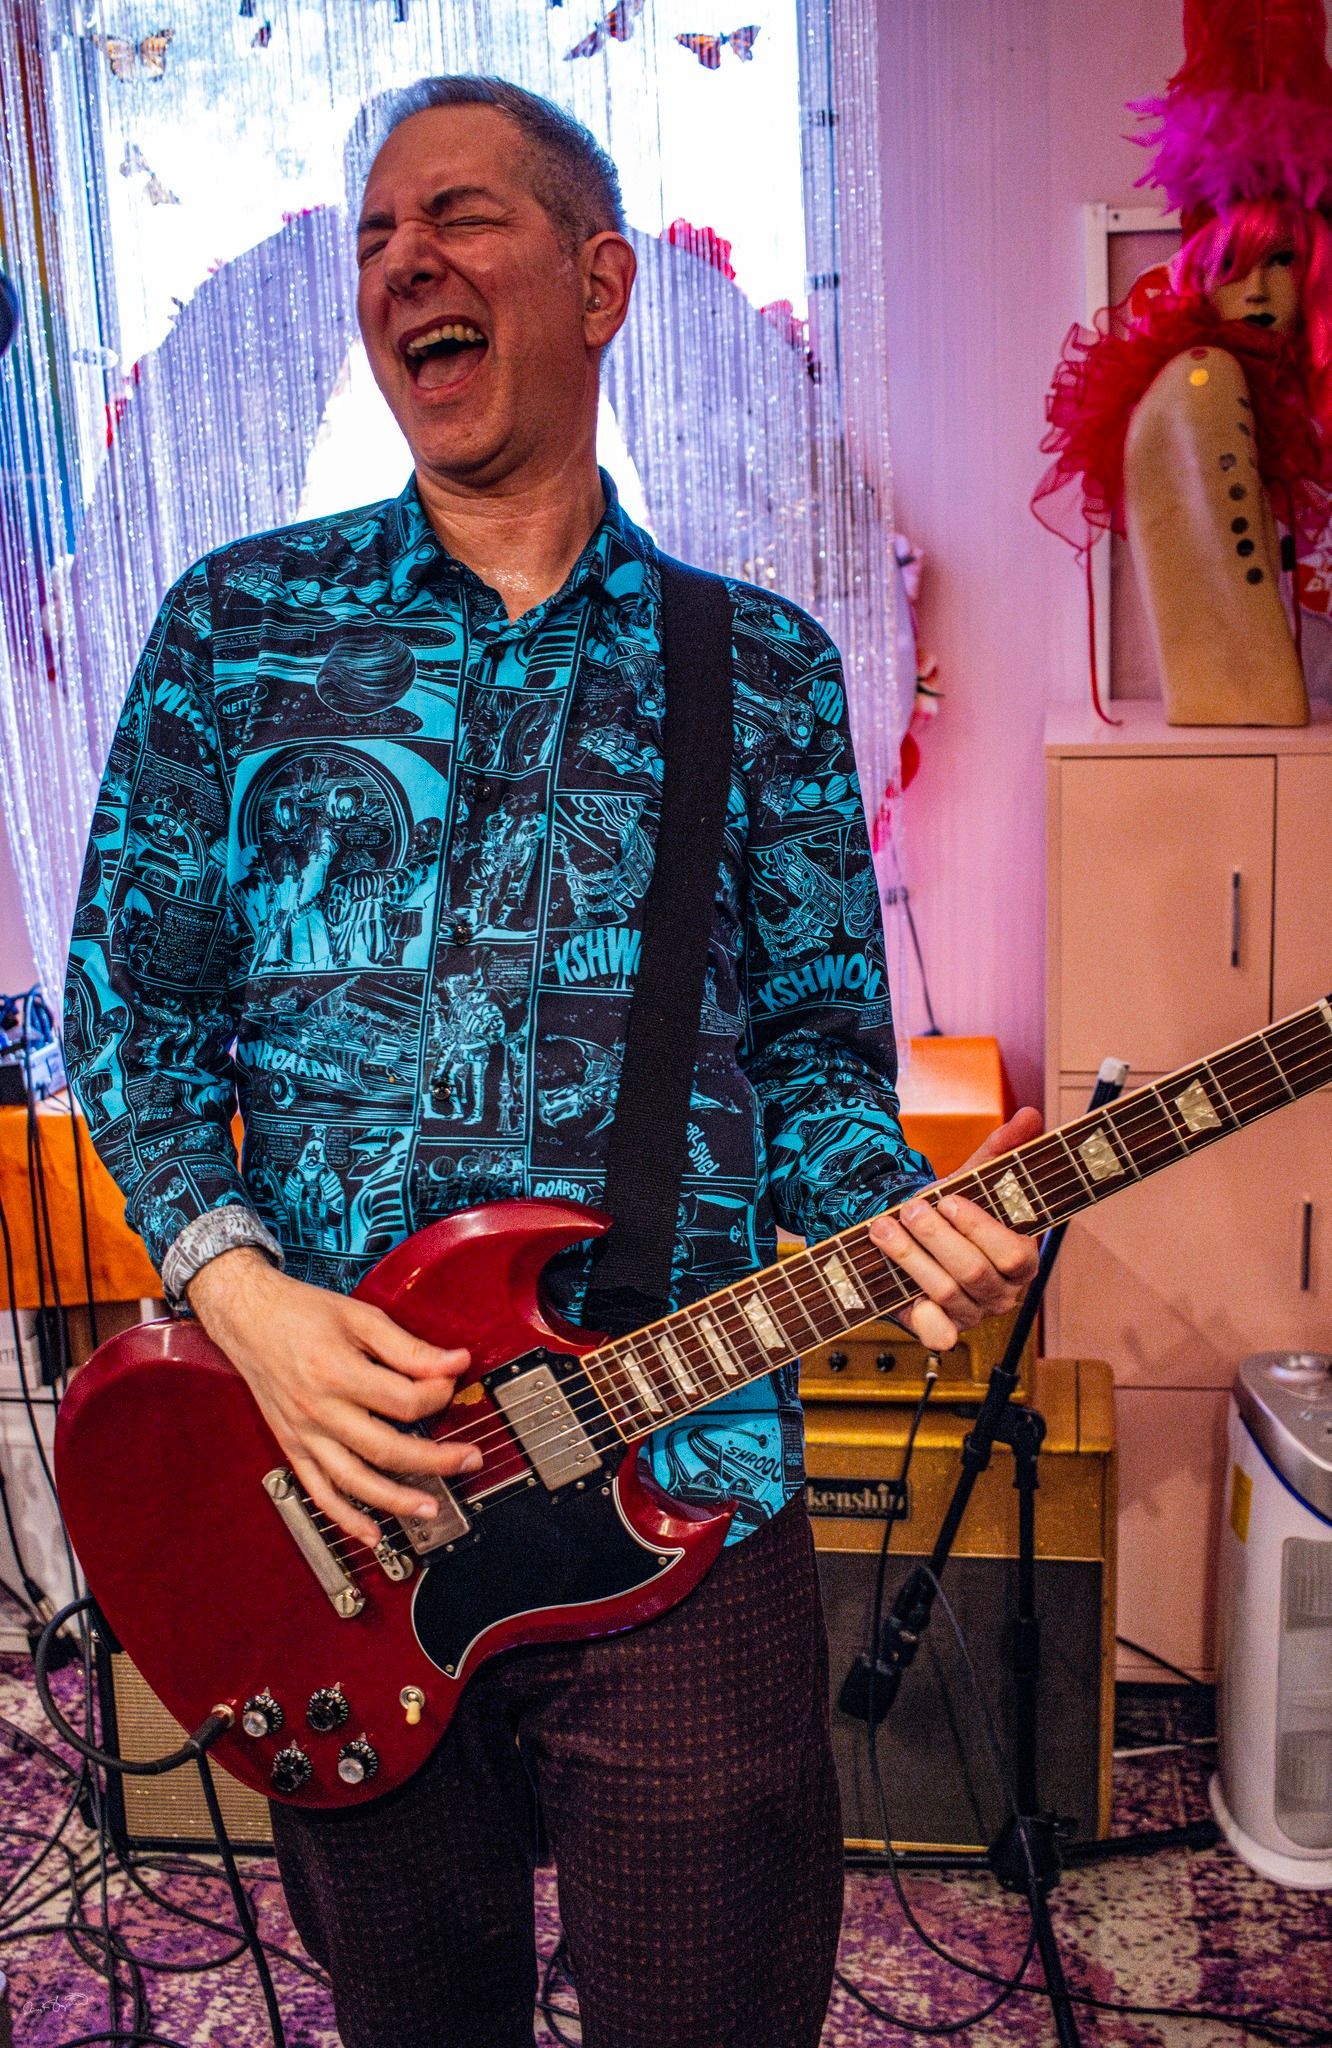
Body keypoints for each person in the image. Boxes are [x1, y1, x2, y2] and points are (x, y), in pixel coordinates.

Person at [64, 76, 1039, 2048]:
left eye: (462, 217)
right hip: (345, 1516)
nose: (403, 260)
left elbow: (828, 1065)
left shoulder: (754, 665)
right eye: (373, 234)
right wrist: (240, 1292)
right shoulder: (236, 633)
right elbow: (133, 1025)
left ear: (599, 281)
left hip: (685, 1492)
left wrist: (903, 1223)